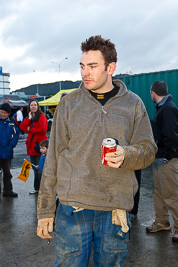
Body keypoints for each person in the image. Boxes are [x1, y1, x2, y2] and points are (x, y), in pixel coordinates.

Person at [37, 35, 157, 266]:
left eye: (92, 66)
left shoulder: (133, 104)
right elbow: (53, 159)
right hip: (73, 208)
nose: (85, 73)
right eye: (82, 66)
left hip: (114, 209)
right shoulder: (68, 104)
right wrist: (45, 211)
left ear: (110, 68)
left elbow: (149, 150)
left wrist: (127, 155)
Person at [146, 81, 178, 242]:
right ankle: (162, 222)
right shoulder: (163, 108)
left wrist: (167, 156)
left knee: (171, 195)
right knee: (158, 193)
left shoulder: (168, 109)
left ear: (153, 93)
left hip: (168, 160)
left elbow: (172, 136)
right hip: (160, 159)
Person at [20, 99, 48, 194]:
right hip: (31, 147)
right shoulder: (30, 117)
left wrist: (30, 129)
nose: (33, 107)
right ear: (29, 107)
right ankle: (37, 188)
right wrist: (28, 118)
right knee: (35, 168)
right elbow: (22, 127)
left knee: (41, 168)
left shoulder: (42, 116)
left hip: (40, 147)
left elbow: (42, 129)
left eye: (35, 105)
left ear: (38, 106)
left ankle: (41, 188)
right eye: (31, 105)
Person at [0, 103, 19, 197]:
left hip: (7, 152)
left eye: (5, 113)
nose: (3, 114)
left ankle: (8, 191)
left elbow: (16, 135)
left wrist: (11, 145)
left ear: (8, 114)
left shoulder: (11, 123)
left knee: (7, 173)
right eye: (1, 112)